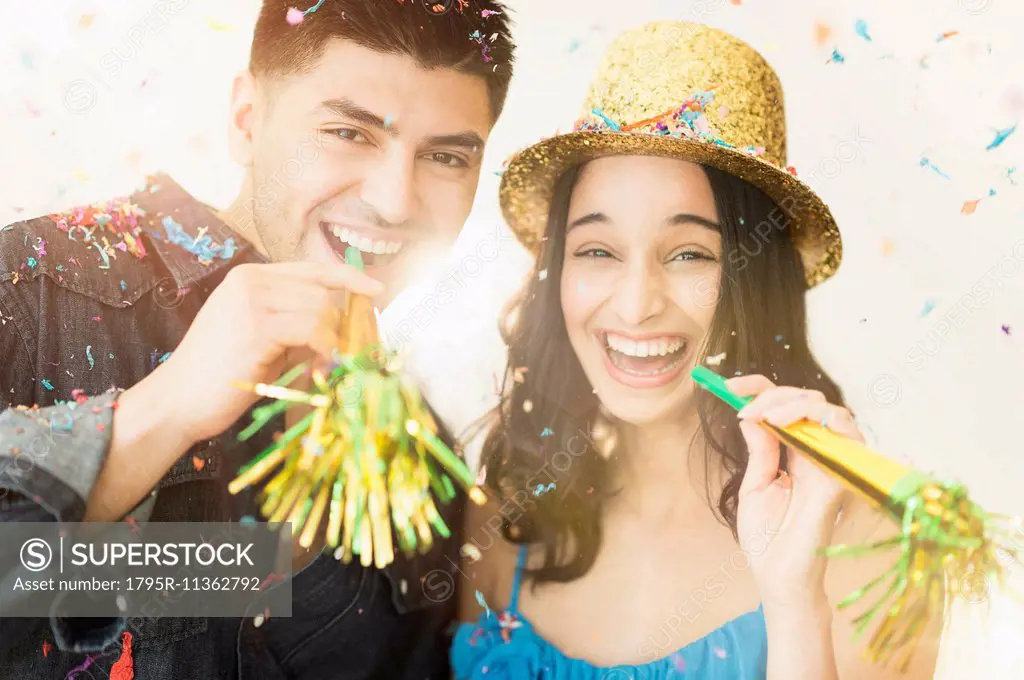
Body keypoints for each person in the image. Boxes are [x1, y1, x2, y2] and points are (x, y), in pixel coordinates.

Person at [0, 1, 514, 678]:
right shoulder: (28, 286)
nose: (395, 202)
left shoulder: (424, 460)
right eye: (348, 133)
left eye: (446, 156)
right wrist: (164, 410)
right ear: (247, 119)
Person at [452, 22, 941, 679]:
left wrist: (795, 599)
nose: (635, 304)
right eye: (597, 250)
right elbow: (264, 599)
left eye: (689, 254)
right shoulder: (492, 535)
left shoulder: (870, 553)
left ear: (754, 277)